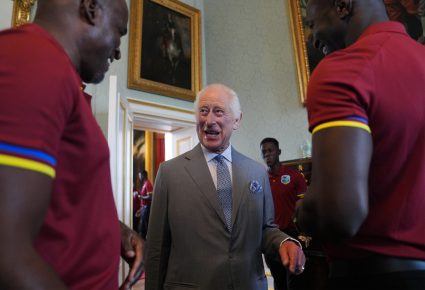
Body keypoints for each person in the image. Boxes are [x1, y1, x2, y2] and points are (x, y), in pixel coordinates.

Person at [0, 0, 143, 289]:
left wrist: (111, 230)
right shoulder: (33, 60)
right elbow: (7, 251)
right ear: (91, 8)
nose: (117, 50)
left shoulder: (58, 74)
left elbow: (51, 197)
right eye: (119, 32)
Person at [294, 0, 425, 290]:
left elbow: (340, 213)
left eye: (313, 24)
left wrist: (303, 211)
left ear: (342, 6)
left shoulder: (343, 69)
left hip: (374, 276)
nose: (313, 39)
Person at [145, 84, 306, 290]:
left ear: (237, 120)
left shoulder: (256, 172)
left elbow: (265, 229)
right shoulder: (169, 173)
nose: (209, 120)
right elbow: (157, 248)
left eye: (218, 112)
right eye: (203, 111)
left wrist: (285, 242)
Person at [260, 137, 307, 290]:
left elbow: (303, 207)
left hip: (292, 234)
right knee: (278, 280)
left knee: (295, 280)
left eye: (270, 150)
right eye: (264, 152)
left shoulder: (294, 176)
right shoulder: (260, 179)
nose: (267, 154)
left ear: (279, 152)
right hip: (272, 237)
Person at [136, 170, 153, 240]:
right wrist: (140, 209)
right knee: (142, 228)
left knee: (145, 227)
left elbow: (150, 196)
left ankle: (146, 244)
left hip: (147, 208)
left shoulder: (148, 184)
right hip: (144, 208)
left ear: (143, 175)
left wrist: (141, 197)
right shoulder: (144, 184)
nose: (139, 177)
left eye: (140, 175)